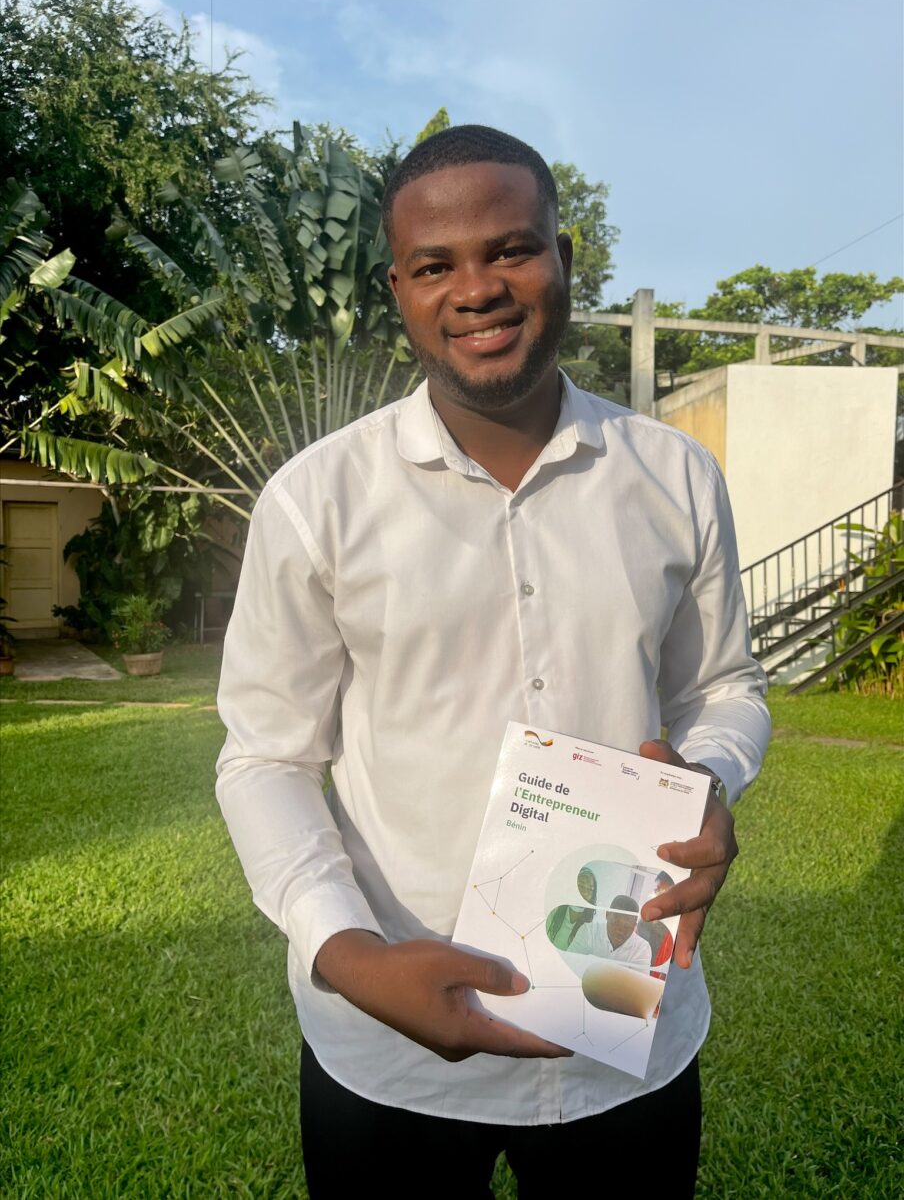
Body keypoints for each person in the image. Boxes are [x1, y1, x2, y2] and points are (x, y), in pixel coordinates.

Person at [215, 124, 771, 1198]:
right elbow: (266, 758)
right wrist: (349, 952)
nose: (476, 288)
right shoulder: (316, 499)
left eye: (511, 248)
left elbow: (722, 687)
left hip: (628, 1028)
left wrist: (712, 775)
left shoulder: (675, 476)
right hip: (382, 1042)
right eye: (436, 265)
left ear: (565, 259)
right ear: (399, 288)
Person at [591, 894, 653, 971]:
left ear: (634, 926)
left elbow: (639, 982)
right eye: (616, 923)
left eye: (627, 927)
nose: (619, 931)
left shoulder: (642, 948)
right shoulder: (589, 931)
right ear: (607, 914)